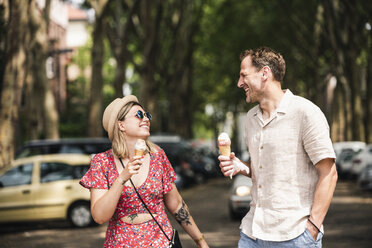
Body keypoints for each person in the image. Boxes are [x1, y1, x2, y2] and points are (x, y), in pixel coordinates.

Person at [218, 47, 338, 248]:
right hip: (252, 234)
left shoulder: (305, 112)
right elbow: (265, 172)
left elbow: (329, 173)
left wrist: (312, 229)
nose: (239, 83)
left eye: (243, 75)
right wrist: (242, 167)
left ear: (264, 73)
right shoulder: (250, 119)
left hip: (295, 236)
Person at [80, 95, 209, 248]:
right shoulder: (102, 162)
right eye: (139, 115)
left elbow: (176, 205)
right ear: (121, 125)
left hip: (161, 242)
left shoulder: (157, 155)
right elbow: (100, 216)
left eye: (147, 115)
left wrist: (201, 241)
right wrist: (122, 178)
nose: (146, 119)